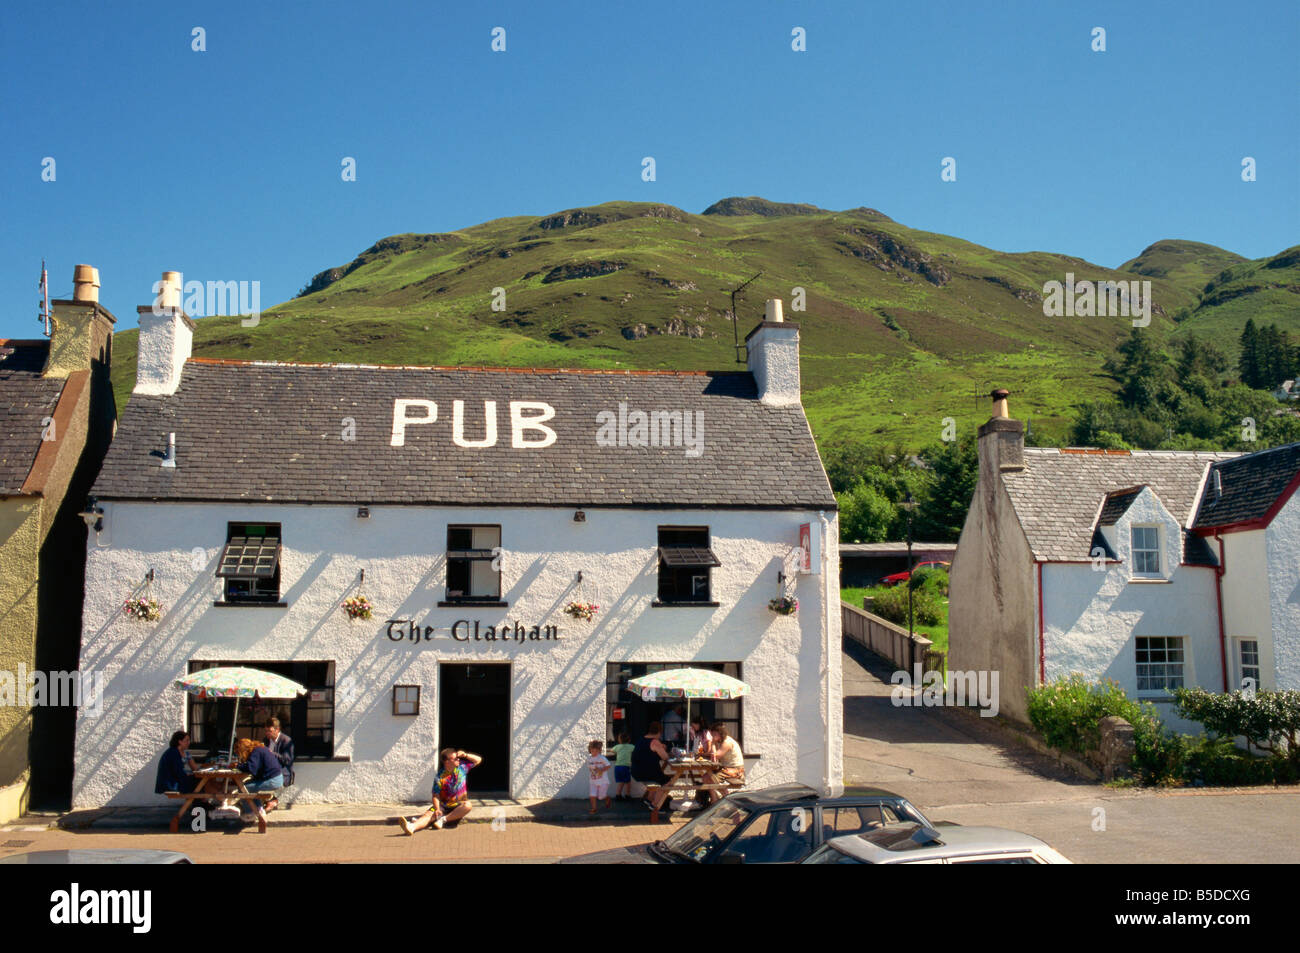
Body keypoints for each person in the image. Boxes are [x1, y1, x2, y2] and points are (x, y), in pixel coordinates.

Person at [400, 748, 482, 834]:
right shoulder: (439, 777)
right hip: (444, 805)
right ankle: (412, 827)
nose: (458, 759)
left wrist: (465, 755)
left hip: (459, 806)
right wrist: (437, 809)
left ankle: (442, 819)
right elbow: (435, 795)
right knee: (429, 814)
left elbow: (478, 760)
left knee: (468, 805)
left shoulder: (462, 768)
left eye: (458, 758)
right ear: (447, 762)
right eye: (455, 758)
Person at [234, 737, 285, 819]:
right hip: (275, 778)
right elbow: (254, 768)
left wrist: (238, 766)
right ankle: (259, 809)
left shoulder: (255, 752)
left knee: (243, 788)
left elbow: (251, 768)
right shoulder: (259, 749)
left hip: (273, 780)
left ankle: (250, 813)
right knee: (248, 785)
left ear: (243, 750)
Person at [631, 722, 672, 816]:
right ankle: (655, 805)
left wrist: (661, 747)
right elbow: (665, 757)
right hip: (646, 772)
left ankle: (649, 799)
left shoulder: (641, 739)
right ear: (659, 732)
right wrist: (664, 749)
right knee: (667, 781)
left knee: (659, 777)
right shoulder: (655, 742)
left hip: (636, 771)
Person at [702, 723, 744, 804]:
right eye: (712, 734)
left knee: (710, 778)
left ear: (719, 733)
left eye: (714, 734)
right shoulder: (722, 741)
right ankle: (715, 800)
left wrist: (713, 743)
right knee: (705, 777)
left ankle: (726, 799)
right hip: (727, 768)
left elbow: (715, 756)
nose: (712, 736)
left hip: (735, 770)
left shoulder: (727, 742)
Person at [154, 730, 200, 795]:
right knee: (201, 782)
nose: (189, 742)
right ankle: (203, 801)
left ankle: (202, 801)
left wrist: (195, 772)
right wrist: (190, 775)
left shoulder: (185, 753)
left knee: (203, 780)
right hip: (172, 784)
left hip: (178, 780)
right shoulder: (173, 753)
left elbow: (195, 769)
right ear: (180, 741)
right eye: (187, 740)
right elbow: (178, 771)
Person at [264, 716, 294, 787]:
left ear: (277, 729)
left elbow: (287, 760)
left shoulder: (286, 740)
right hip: (268, 772)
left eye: (270, 731)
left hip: (282, 774)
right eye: (266, 731)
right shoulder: (266, 740)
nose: (267, 733)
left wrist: (271, 753)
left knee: (256, 786)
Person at [587, 740, 612, 814]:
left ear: (599, 751)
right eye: (592, 751)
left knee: (601, 797)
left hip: (603, 781)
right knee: (592, 795)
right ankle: (594, 808)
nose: (594, 752)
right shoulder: (589, 759)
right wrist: (594, 772)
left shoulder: (602, 758)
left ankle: (607, 798)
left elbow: (608, 765)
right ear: (590, 750)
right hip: (593, 780)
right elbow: (590, 768)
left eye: (596, 751)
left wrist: (601, 770)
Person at [610, 732, 635, 801]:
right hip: (625, 766)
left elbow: (611, 750)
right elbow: (636, 750)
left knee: (621, 782)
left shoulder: (617, 746)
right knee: (627, 782)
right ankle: (626, 795)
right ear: (629, 740)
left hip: (617, 766)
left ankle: (618, 795)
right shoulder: (631, 746)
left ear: (619, 740)